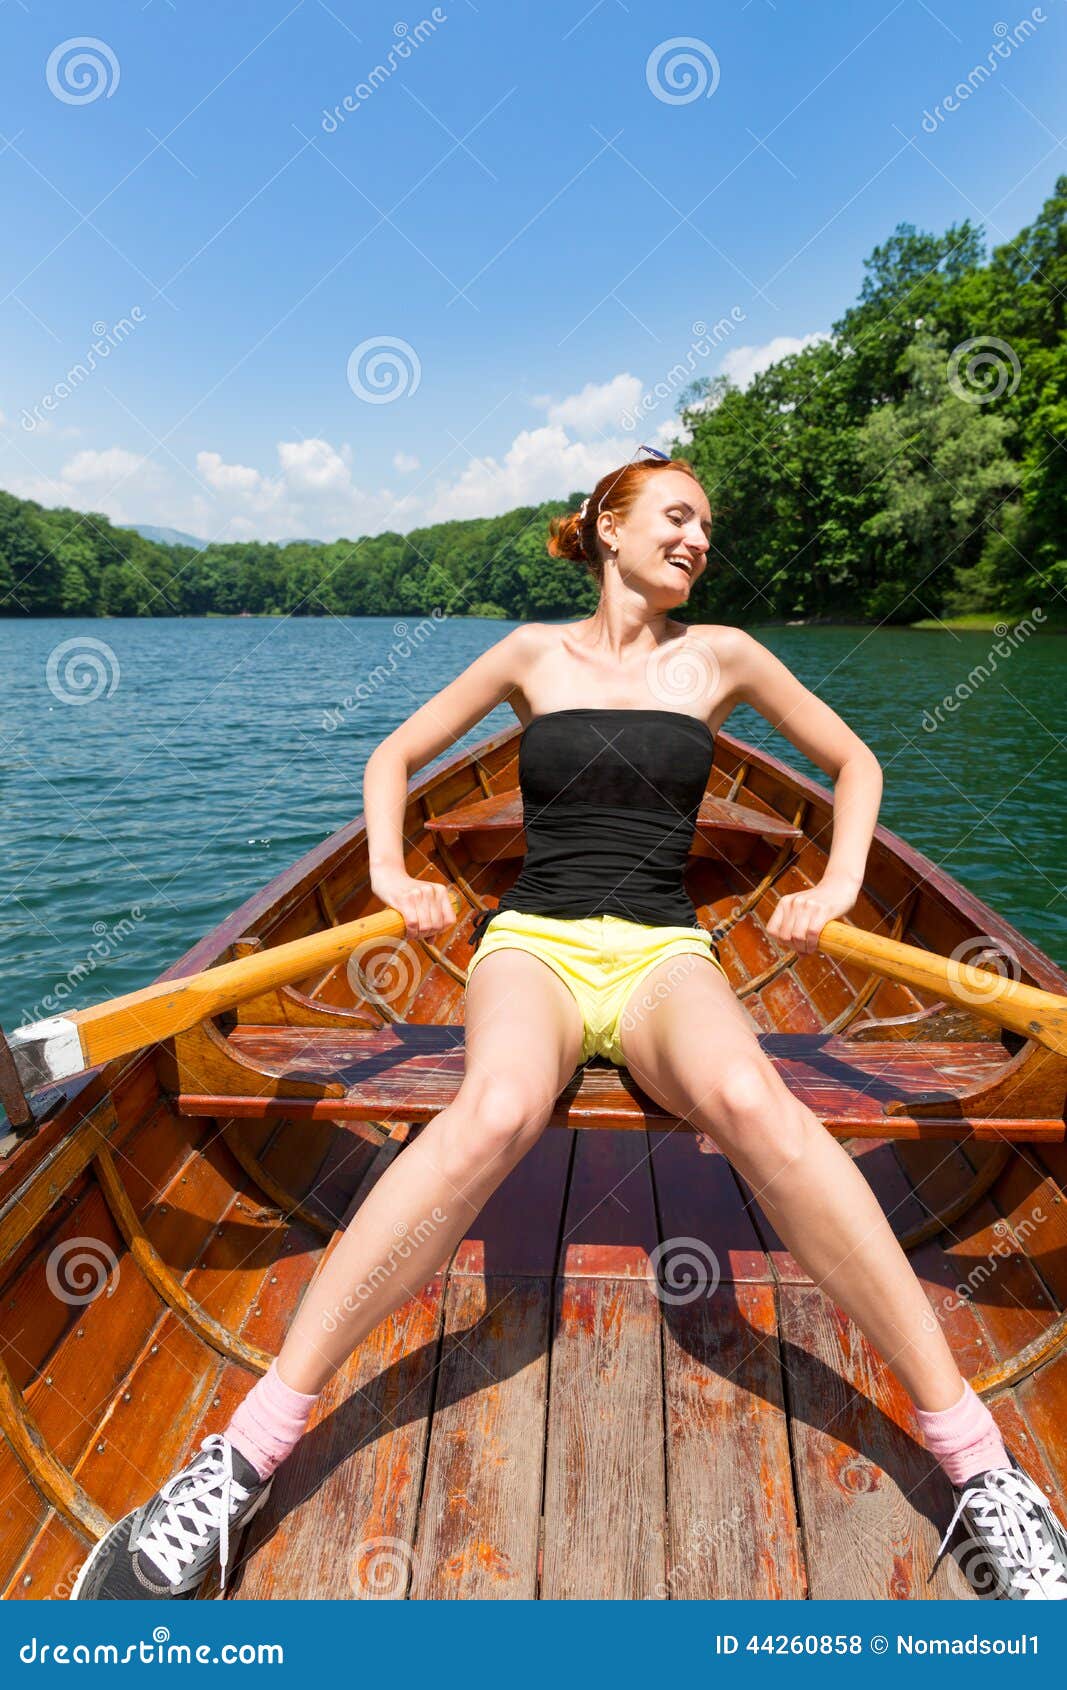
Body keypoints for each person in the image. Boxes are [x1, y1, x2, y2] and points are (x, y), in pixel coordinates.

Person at [71, 448, 1067, 1602]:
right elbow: (393, 756)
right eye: (678, 517)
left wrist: (838, 884)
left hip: (661, 951)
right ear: (606, 527)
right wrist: (391, 873)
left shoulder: (724, 658)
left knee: (757, 1104)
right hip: (532, 944)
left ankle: (980, 1466)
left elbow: (852, 764)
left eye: (707, 527)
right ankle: (241, 1453)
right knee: (489, 1111)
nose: (698, 540)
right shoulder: (526, 656)